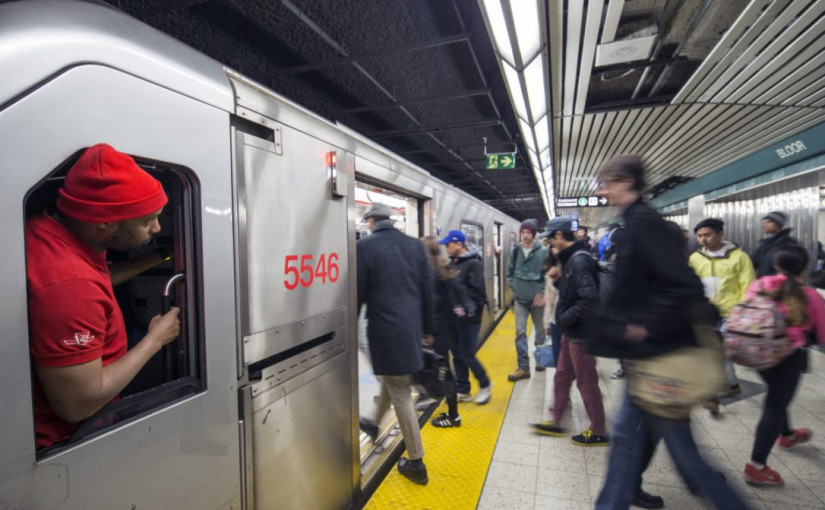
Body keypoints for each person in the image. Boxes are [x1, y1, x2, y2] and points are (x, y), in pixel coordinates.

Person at [591, 154, 749, 510]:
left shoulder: (644, 224)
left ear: (627, 182)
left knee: (685, 458)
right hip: (648, 359)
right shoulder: (635, 222)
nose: (604, 191)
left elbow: (682, 287)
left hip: (661, 358)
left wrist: (641, 327)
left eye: (608, 183)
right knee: (627, 442)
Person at [27, 144, 181, 449]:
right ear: (106, 222)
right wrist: (155, 340)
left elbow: (97, 280)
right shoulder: (69, 284)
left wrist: (160, 256)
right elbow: (76, 405)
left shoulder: (51, 233)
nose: (157, 227)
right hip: (74, 441)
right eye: (146, 220)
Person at [357, 202, 435, 485]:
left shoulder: (365, 248)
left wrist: (347, 329)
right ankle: (373, 422)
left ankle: (417, 461)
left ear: (371, 222)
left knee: (400, 392)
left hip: (386, 334)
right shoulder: (414, 246)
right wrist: (428, 329)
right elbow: (428, 290)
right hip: (410, 331)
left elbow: (358, 294)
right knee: (395, 381)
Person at [743, 244, 825, 486]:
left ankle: (787, 434)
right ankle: (756, 466)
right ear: (806, 266)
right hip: (787, 357)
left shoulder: (759, 285)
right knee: (775, 406)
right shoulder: (809, 295)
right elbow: (821, 335)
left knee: (778, 397)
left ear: (776, 264)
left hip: (757, 353)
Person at [531, 217, 608, 446]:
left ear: (560, 236)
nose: (550, 245)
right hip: (569, 331)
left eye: (551, 239)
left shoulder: (579, 260)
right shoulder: (570, 260)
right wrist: (557, 283)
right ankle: (555, 420)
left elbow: (589, 300)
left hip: (580, 332)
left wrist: (563, 318)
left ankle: (599, 431)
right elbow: (573, 293)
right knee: (562, 375)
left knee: (586, 382)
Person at [688, 218, 755, 415]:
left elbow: (748, 286)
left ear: (721, 234)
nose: (703, 239)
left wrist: (743, 312)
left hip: (730, 312)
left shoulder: (739, 257)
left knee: (722, 352)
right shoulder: (695, 258)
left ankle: (721, 386)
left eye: (707, 235)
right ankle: (730, 384)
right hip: (705, 313)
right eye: (699, 236)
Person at [440, 230, 492, 404]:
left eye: (448, 245)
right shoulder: (453, 264)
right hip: (455, 319)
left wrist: (468, 311)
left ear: (458, 244)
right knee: (456, 354)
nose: (445, 248)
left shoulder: (472, 264)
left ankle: (485, 384)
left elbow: (478, 292)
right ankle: (463, 389)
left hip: (470, 318)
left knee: (467, 354)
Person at [420, 237, 466, 428]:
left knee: (444, 373)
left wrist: (427, 332)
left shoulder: (430, 273)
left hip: (437, 332)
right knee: (443, 370)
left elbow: (431, 305)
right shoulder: (444, 269)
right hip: (446, 331)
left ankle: (453, 416)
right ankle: (435, 399)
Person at [506, 219, 548, 381]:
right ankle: (523, 367)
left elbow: (547, 275)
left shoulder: (543, 252)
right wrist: (514, 287)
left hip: (538, 300)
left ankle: (541, 359)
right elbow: (509, 272)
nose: (525, 235)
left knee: (540, 331)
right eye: (523, 232)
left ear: (534, 234)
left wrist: (542, 292)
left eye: (528, 232)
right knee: (520, 332)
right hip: (520, 299)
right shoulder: (516, 250)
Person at [751, 211, 798, 277]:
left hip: (779, 284)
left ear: (778, 224)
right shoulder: (765, 244)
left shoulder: (788, 244)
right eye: (764, 221)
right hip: (764, 283)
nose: (764, 224)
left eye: (769, 221)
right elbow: (753, 263)